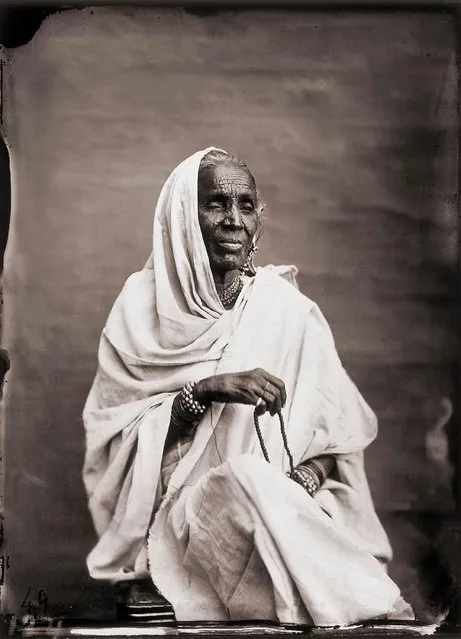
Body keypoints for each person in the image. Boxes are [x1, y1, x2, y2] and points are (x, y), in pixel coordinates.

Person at [82, 147, 414, 626]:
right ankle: (366, 608)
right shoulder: (140, 308)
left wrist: (299, 484)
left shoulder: (288, 311)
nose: (233, 220)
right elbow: (114, 445)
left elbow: (340, 444)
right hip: (182, 526)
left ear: (260, 219)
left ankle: (360, 605)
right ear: (184, 216)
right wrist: (207, 389)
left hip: (284, 518)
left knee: (261, 488)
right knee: (244, 479)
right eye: (216, 203)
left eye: (247, 206)